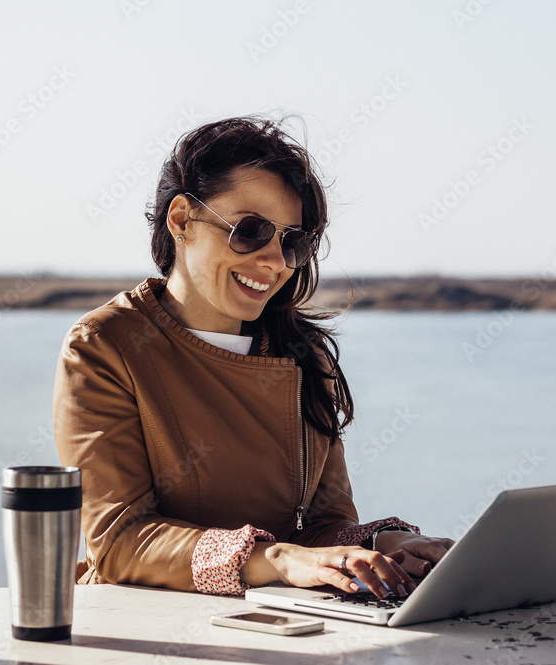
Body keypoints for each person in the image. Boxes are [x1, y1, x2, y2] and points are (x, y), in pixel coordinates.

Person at [53, 115, 453, 600]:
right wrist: (281, 559)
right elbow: (120, 542)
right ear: (181, 219)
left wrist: (382, 544)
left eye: (293, 241)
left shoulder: (305, 357)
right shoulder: (103, 345)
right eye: (249, 230)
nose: (272, 261)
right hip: (150, 626)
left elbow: (323, 528)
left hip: (283, 628)